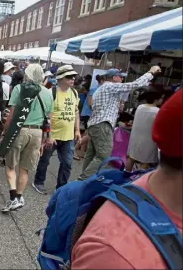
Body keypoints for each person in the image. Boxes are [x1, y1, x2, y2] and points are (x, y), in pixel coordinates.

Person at [71, 89, 182, 269]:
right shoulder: (117, 253)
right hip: (138, 144)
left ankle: (88, 178)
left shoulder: (140, 109)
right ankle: (83, 178)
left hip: (135, 143)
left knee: (106, 157)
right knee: (100, 156)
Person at [78, 66, 161, 180]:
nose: (122, 79)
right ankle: (83, 179)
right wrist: (150, 72)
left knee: (91, 155)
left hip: (96, 124)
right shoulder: (110, 86)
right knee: (103, 156)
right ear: (114, 77)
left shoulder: (103, 88)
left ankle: (85, 180)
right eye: (121, 77)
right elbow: (134, 85)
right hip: (103, 124)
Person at [1, 63, 53, 212]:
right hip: (37, 133)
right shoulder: (48, 93)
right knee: (25, 169)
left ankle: (13, 198)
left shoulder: (19, 89)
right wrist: (45, 139)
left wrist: (5, 132)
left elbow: (11, 115)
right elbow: (49, 119)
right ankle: (19, 195)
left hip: (19, 129)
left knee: (11, 165)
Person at [32, 65, 80, 195]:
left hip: (68, 135)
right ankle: (39, 181)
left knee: (67, 163)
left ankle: (61, 187)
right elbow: (47, 116)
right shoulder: (51, 93)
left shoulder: (74, 93)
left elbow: (76, 112)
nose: (73, 79)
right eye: (69, 77)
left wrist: (77, 130)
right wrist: (50, 135)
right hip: (52, 135)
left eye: (74, 77)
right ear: (61, 78)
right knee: (45, 160)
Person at [125, 87, 164, 171]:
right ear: (156, 100)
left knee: (131, 158)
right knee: (145, 162)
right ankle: (138, 181)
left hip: (136, 137)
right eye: (161, 98)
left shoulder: (140, 107)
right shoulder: (158, 111)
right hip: (149, 140)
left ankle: (125, 176)